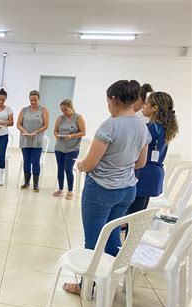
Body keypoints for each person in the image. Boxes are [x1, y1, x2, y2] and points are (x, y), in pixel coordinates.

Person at [63, 80, 151, 295]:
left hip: (101, 190)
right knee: (112, 237)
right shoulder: (142, 125)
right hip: (127, 190)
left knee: (93, 238)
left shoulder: (110, 125)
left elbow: (91, 163)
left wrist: (81, 165)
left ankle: (87, 287)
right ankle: (109, 283)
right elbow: (140, 163)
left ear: (113, 100)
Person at [126, 91, 179, 214]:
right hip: (154, 175)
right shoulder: (166, 128)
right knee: (138, 213)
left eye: (146, 103)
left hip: (142, 173)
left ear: (155, 108)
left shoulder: (149, 128)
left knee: (130, 215)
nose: (143, 106)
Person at [53, 99, 86, 199]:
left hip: (73, 148)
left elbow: (83, 133)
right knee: (60, 168)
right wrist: (57, 136)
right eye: (62, 110)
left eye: (66, 110)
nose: (64, 112)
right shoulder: (60, 118)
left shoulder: (78, 118)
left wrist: (72, 136)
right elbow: (55, 131)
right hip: (59, 147)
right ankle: (61, 189)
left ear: (71, 107)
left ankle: (70, 190)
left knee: (68, 169)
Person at [16, 90, 49, 191]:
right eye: (31, 100)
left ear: (39, 99)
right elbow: (18, 124)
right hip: (25, 139)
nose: (33, 102)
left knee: (35, 161)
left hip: (37, 140)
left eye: (35, 100)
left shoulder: (43, 110)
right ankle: (26, 182)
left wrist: (36, 132)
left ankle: (35, 184)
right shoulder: (24, 110)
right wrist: (24, 131)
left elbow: (46, 125)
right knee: (26, 161)